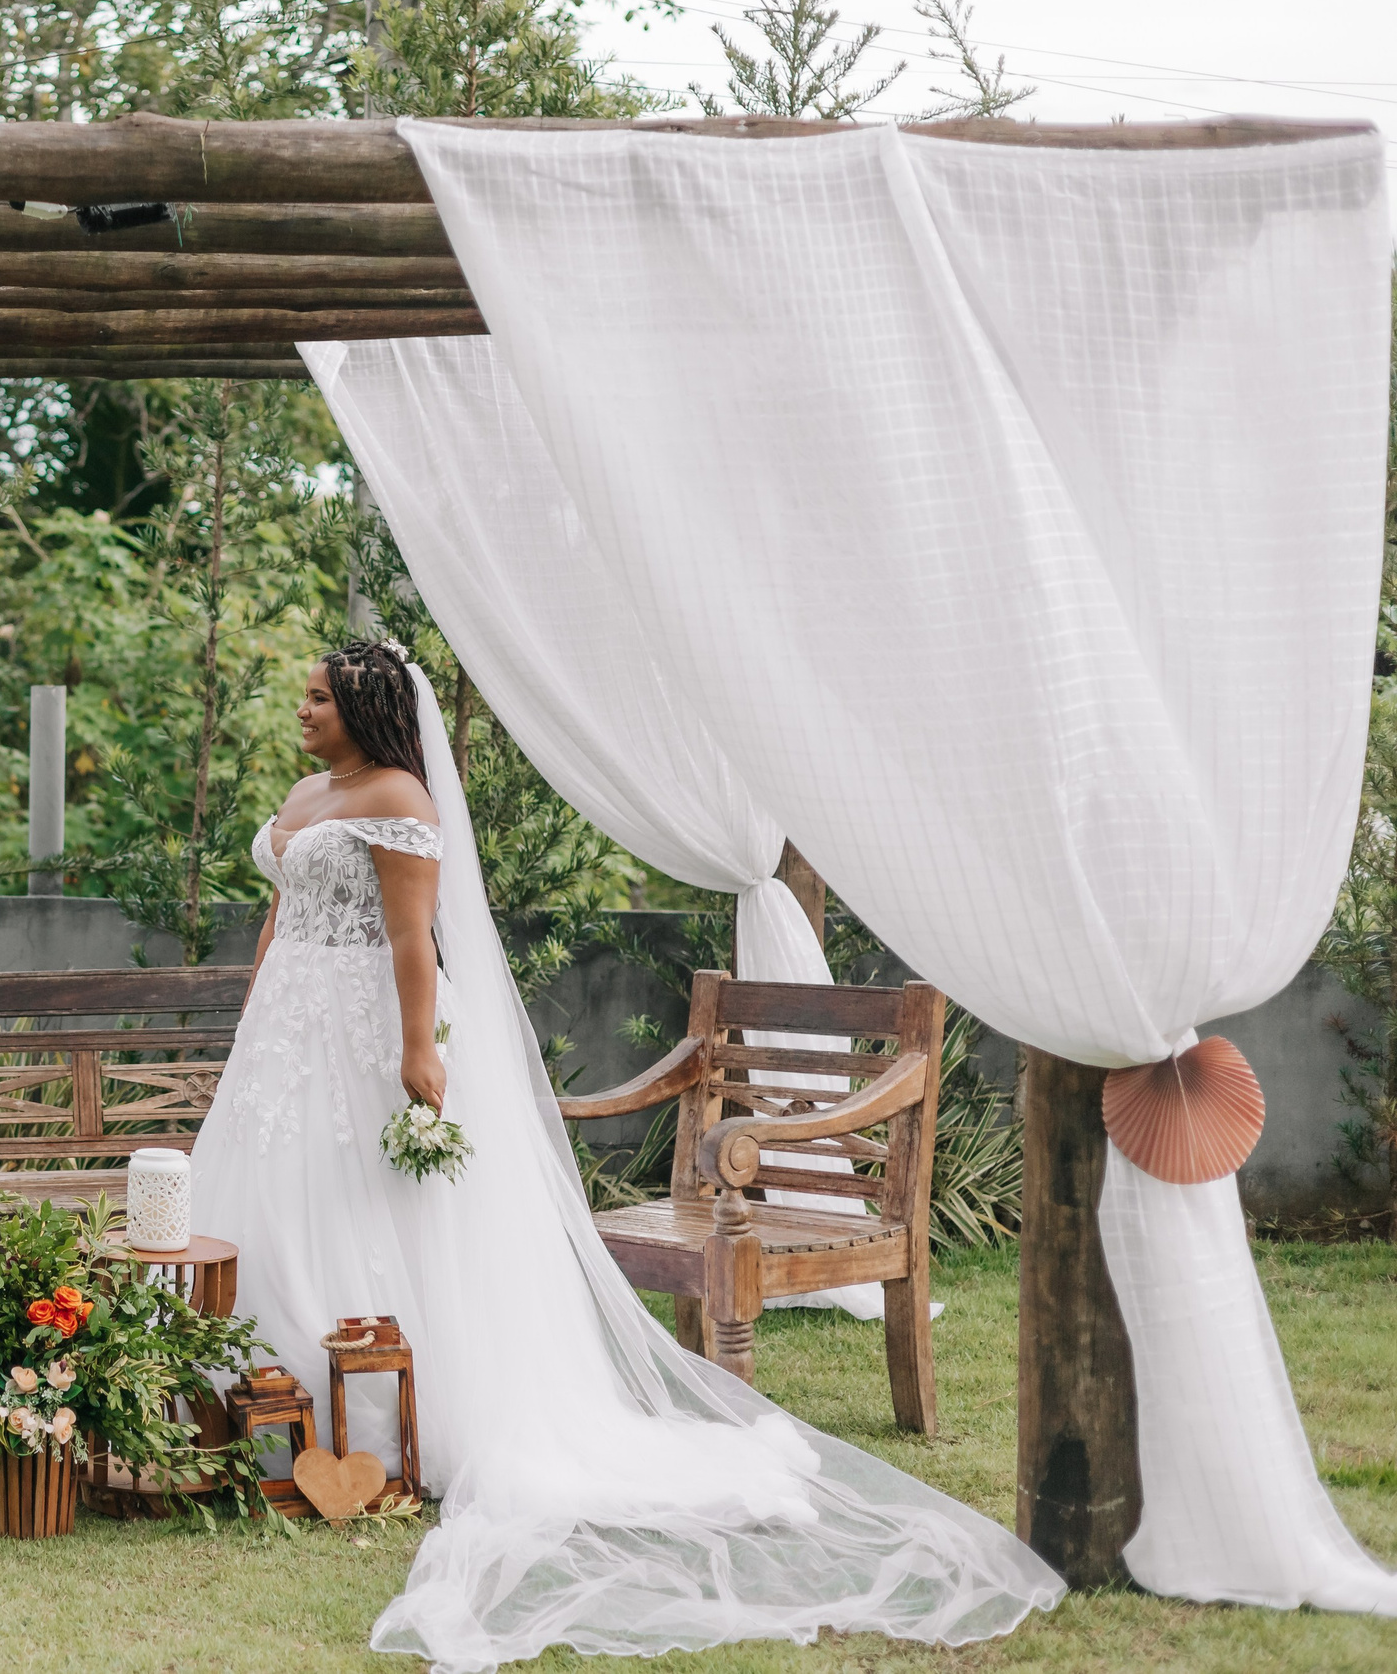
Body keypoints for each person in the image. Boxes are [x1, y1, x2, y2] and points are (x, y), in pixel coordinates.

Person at [189, 640, 1064, 1668]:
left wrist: (418, 1050)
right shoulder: (306, 793)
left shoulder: (400, 799)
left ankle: (378, 1414)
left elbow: (410, 939)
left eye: (319, 698)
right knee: (275, 1193)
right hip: (288, 1030)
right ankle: (253, 1394)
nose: (303, 710)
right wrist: (257, 1007)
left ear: (366, 709)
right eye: (304, 696)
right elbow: (283, 912)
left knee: (367, 1198)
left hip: (367, 1027)